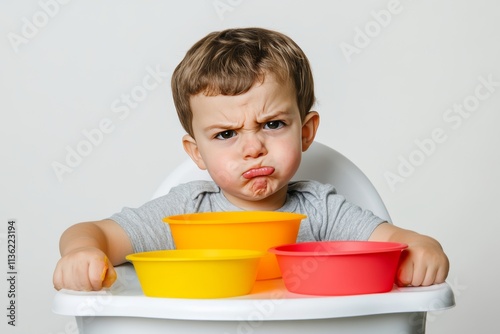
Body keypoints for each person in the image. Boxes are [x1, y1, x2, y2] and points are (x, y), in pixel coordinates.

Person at [53, 27, 449, 291]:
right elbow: (93, 232)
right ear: (197, 154)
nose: (253, 147)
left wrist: (423, 247)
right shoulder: (185, 214)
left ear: (306, 131)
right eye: (226, 134)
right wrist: (81, 253)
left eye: (273, 124)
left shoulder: (323, 211)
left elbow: (396, 243)